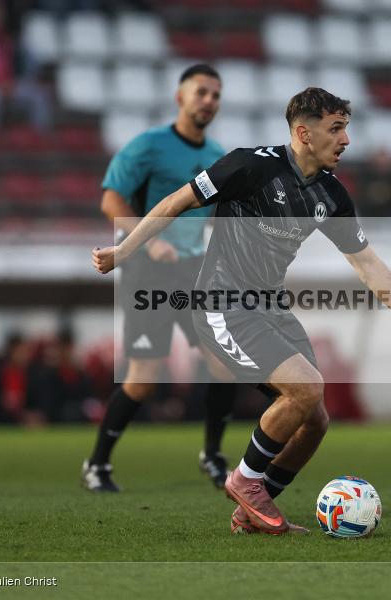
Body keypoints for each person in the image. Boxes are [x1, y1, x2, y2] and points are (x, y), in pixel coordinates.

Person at [91, 87, 391, 534]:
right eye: (336, 129)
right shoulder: (249, 166)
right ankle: (244, 480)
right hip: (223, 305)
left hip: (270, 308)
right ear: (304, 132)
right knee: (305, 388)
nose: (346, 141)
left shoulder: (331, 195)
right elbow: (175, 202)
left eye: (346, 129)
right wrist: (124, 250)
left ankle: (251, 512)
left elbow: (367, 264)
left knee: (314, 418)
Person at [81, 63, 239, 493]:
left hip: (193, 271)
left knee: (224, 363)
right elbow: (111, 200)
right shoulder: (148, 146)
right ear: (180, 97)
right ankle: (97, 464)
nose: (209, 100)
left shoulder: (217, 156)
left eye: (216, 95)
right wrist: (147, 242)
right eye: (201, 92)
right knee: (144, 377)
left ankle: (213, 455)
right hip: (147, 270)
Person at [0, 0, 51, 132]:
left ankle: (40, 141)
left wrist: (12, 82)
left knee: (40, 96)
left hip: (10, 83)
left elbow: (18, 67)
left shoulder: (8, 38)